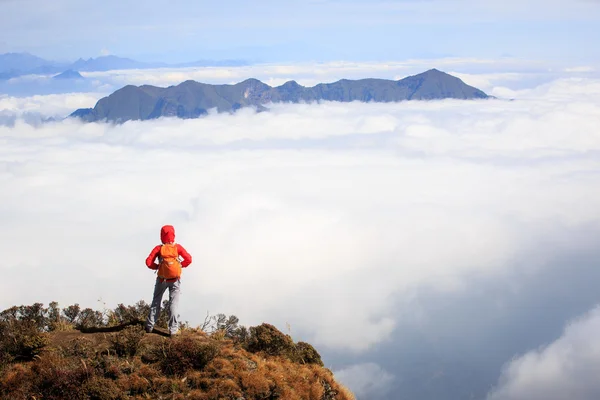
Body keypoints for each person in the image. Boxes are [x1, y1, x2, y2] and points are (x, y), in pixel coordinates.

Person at [145, 225, 192, 336]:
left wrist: (157, 267)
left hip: (161, 279)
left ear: (161, 235)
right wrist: (181, 265)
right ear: (173, 234)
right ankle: (173, 330)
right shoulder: (177, 247)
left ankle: (149, 326)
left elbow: (148, 262)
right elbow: (189, 259)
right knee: (173, 304)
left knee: (156, 301)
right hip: (175, 279)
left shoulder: (159, 248)